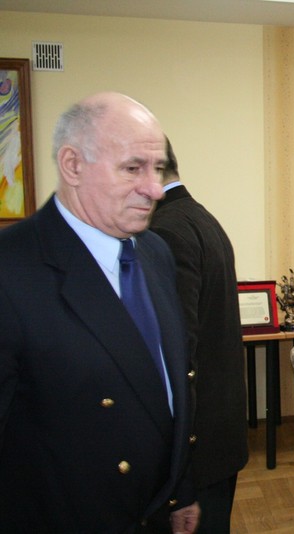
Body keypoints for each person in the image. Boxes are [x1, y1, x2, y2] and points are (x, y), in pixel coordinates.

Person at [0, 92, 199, 532]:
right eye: (133, 168)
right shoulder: (11, 267)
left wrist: (179, 488)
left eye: (158, 168)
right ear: (73, 165)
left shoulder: (155, 252)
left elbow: (168, 386)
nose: (154, 188)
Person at [149, 138, 248, 533]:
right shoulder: (199, 216)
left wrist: (180, 471)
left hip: (197, 443)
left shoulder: (166, 230)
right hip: (218, 431)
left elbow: (179, 350)